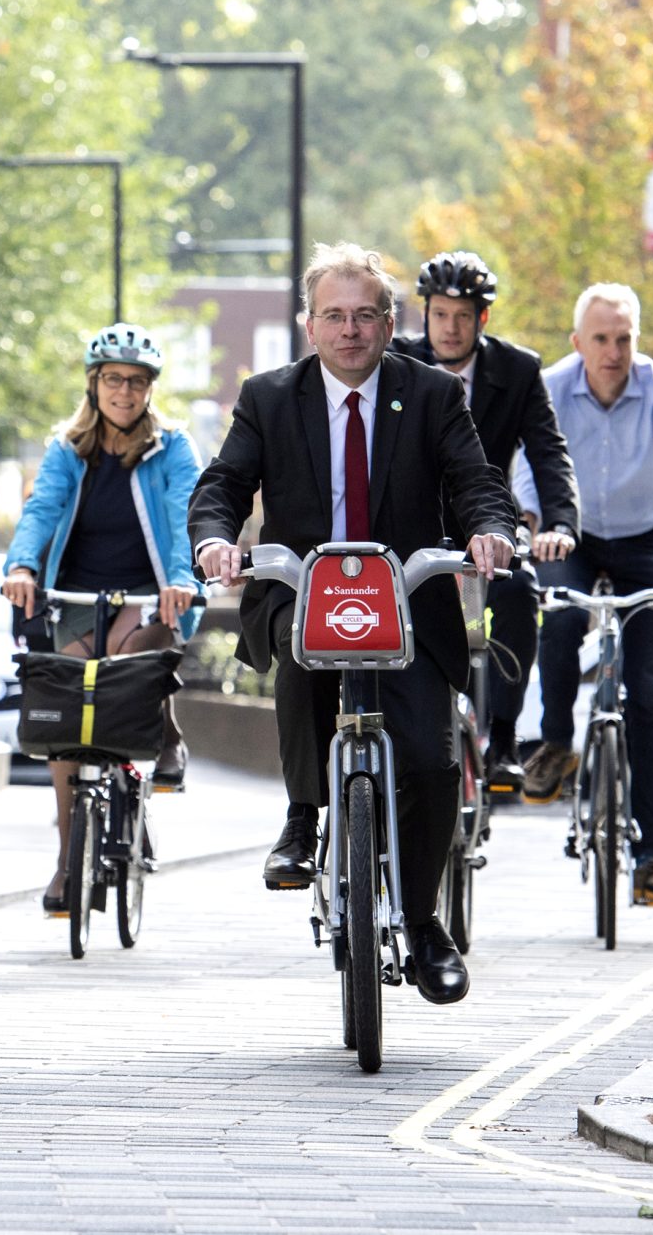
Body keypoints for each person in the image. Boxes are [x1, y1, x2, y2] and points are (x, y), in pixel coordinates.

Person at [187, 243, 517, 1005]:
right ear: (309, 325)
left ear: (388, 322)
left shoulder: (432, 394)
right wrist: (214, 540)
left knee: (434, 762)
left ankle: (425, 921)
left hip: (406, 598)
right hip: (309, 589)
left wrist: (487, 531)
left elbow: (475, 481)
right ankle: (304, 817)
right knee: (305, 660)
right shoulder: (270, 397)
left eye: (365, 315)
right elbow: (225, 483)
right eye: (334, 315)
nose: (350, 330)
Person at [524, 283, 653, 908]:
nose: (614, 353)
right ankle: (556, 742)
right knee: (556, 619)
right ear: (578, 343)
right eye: (601, 339)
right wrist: (537, 529)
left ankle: (652, 858)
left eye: (625, 339)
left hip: (642, 539)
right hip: (566, 533)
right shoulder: (550, 386)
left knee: (652, 698)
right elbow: (526, 467)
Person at [0, 324, 204, 913]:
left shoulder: (172, 447)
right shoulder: (68, 449)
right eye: (113, 380)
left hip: (149, 594)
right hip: (76, 599)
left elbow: (183, 513)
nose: (124, 392)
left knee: (139, 653)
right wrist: (22, 568)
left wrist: (181, 581)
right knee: (66, 715)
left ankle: (166, 737)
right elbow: (41, 510)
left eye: (136, 382)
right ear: (94, 386)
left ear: (148, 389)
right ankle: (68, 862)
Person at [390, 251, 580, 793]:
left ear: (483, 320)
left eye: (463, 316)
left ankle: (502, 736)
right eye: (441, 314)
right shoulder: (397, 363)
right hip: (414, 526)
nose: (451, 329)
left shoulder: (517, 371)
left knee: (520, 591)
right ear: (425, 314)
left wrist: (561, 524)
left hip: (489, 524)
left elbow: (549, 453)